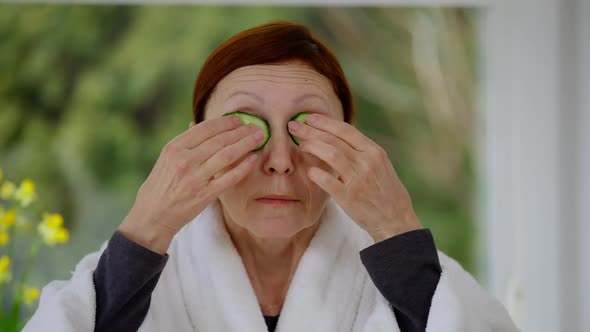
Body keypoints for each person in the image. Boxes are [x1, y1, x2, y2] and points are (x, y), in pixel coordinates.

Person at [24, 21, 519, 332]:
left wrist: (398, 226)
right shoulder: (127, 279)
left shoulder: (415, 279)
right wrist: (145, 227)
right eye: (247, 127)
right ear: (196, 141)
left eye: (308, 128)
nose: (280, 159)